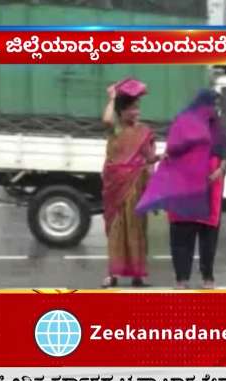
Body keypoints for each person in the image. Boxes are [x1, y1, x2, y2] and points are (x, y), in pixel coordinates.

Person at [136, 90, 226, 289]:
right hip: (185, 187)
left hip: (210, 189)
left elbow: (225, 156)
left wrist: (219, 171)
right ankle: (181, 278)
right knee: (181, 236)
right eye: (213, 104)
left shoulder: (219, 128)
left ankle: (208, 277)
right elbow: (173, 150)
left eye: (217, 106)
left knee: (208, 237)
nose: (215, 109)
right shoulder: (183, 122)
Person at [100, 79, 161, 288]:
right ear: (122, 112)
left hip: (136, 187)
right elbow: (107, 119)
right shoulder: (116, 128)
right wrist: (113, 97)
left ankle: (138, 275)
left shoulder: (144, 132)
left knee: (136, 230)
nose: (137, 112)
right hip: (114, 187)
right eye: (133, 108)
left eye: (138, 108)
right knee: (116, 230)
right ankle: (113, 275)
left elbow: (150, 159)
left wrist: (162, 157)